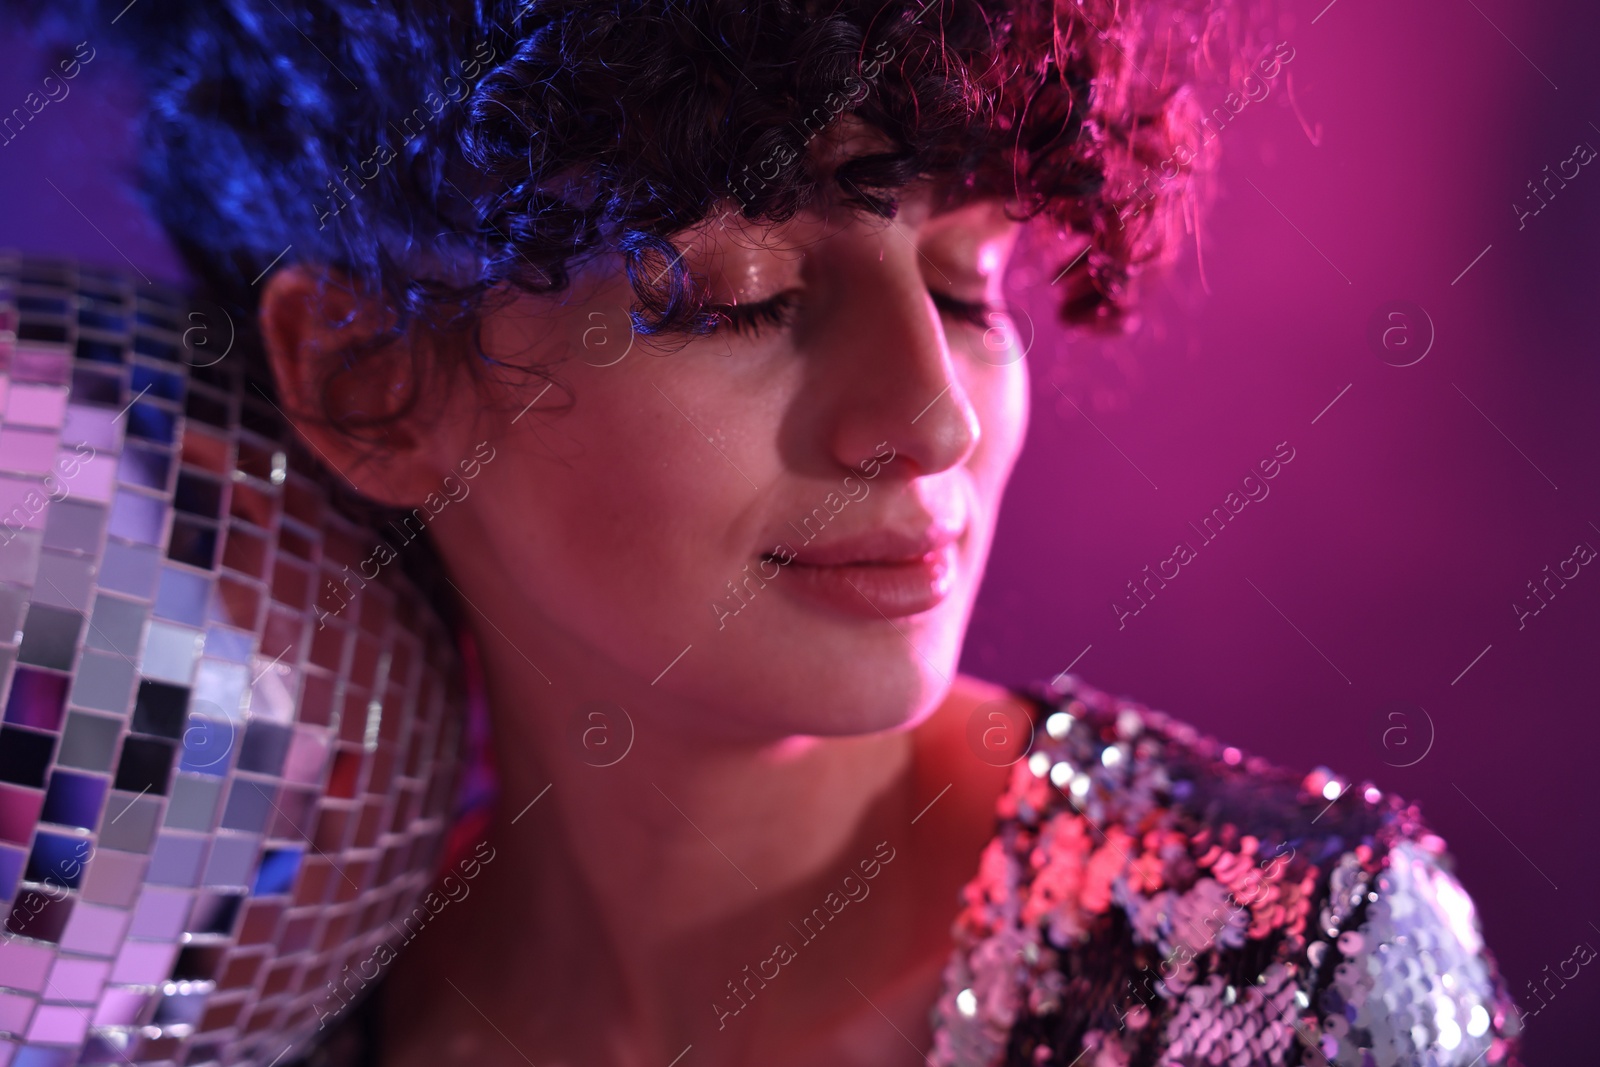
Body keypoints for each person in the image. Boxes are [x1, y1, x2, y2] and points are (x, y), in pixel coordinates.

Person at [2, 0, 1523, 1065]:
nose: (930, 423)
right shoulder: (264, 1017)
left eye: (969, 285)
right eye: (738, 298)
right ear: (367, 373)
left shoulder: (1277, 968)